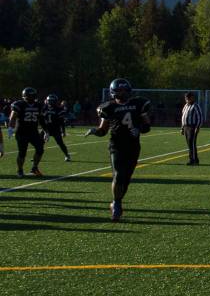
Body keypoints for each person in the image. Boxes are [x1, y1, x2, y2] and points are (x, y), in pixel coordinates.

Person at [87, 78, 152, 221]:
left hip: (133, 146)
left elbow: (147, 125)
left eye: (123, 90)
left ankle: (117, 202)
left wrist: (139, 129)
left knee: (126, 179)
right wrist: (94, 131)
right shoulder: (108, 107)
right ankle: (116, 204)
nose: (121, 93)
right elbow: (103, 130)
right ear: (113, 92)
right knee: (118, 174)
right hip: (116, 145)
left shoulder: (137, 104)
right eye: (119, 91)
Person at [9, 87, 45, 177]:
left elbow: (41, 119)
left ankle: (34, 168)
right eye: (30, 96)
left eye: (33, 96)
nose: (32, 98)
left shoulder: (38, 105)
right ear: (25, 96)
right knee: (22, 153)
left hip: (33, 132)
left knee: (40, 149)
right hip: (22, 132)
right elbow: (13, 116)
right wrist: (10, 127)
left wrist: (46, 131)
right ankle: (20, 170)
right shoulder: (19, 104)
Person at [42, 94, 72, 162]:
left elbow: (61, 121)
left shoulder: (59, 109)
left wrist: (63, 131)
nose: (50, 102)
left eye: (51, 101)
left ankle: (67, 155)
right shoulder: (44, 108)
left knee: (60, 143)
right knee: (40, 143)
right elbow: (41, 119)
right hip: (46, 128)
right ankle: (37, 156)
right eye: (49, 101)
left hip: (55, 129)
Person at [181, 91, 203, 165]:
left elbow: (200, 117)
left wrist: (197, 127)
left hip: (192, 127)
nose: (186, 99)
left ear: (192, 98)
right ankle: (193, 159)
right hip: (186, 127)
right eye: (186, 98)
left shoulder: (195, 105)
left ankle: (194, 160)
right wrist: (182, 128)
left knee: (192, 143)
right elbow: (183, 117)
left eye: (188, 98)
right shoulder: (186, 106)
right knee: (189, 144)